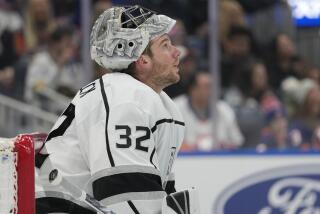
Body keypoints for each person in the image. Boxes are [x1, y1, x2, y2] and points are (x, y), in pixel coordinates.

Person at [36, 5, 199, 214]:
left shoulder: (158, 103)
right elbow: (126, 199)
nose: (177, 52)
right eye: (165, 45)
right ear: (142, 58)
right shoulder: (125, 98)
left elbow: (157, 192)